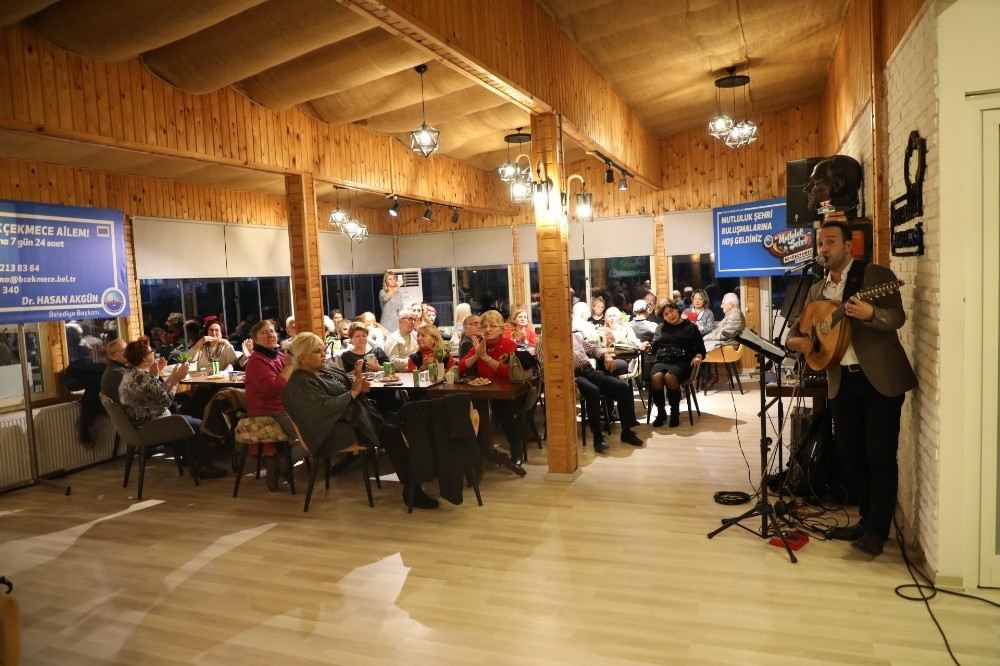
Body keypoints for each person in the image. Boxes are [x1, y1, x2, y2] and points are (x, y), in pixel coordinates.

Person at [787, 221, 916, 557]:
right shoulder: (816, 291)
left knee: (880, 457)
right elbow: (796, 333)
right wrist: (801, 343)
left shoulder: (873, 276)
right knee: (851, 455)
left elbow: (896, 318)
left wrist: (871, 312)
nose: (824, 248)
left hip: (879, 380)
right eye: (820, 243)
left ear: (849, 245)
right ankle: (866, 518)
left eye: (831, 241)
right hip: (840, 381)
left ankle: (877, 530)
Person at [282, 333, 438, 509]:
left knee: (404, 423)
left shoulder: (322, 371)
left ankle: (419, 478)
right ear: (303, 357)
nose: (324, 354)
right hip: (331, 433)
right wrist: (354, 392)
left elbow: (342, 386)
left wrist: (356, 379)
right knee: (392, 432)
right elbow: (321, 409)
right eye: (317, 352)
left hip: (350, 421)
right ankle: (413, 489)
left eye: (323, 350)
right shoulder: (300, 382)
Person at [117, 337, 227, 479]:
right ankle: (204, 467)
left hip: (141, 421)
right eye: (151, 351)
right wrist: (175, 380)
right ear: (144, 359)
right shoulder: (142, 378)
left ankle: (190, 460)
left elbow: (155, 393)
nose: (153, 353)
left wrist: (158, 376)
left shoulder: (131, 374)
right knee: (197, 423)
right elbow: (166, 401)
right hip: (151, 425)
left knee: (188, 415)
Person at [460, 310, 527, 471]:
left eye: (493, 326)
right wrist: (477, 354)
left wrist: (486, 358)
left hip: (508, 391)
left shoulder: (509, 344)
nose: (488, 329)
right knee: (467, 410)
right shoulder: (480, 345)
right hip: (483, 390)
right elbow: (461, 367)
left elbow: (506, 372)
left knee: (505, 412)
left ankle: (516, 450)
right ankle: (478, 451)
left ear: (501, 328)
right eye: (484, 326)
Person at [571, 329, 643, 453]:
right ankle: (598, 437)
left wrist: (606, 355)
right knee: (593, 391)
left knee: (623, 388)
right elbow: (544, 365)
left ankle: (627, 431)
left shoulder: (574, 336)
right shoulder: (545, 342)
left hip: (588, 370)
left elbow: (593, 349)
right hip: (572, 375)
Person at [244, 319, 295, 491]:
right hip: (269, 413)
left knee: (314, 428)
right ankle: (282, 465)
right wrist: (289, 368)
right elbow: (274, 389)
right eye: (264, 333)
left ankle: (281, 462)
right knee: (312, 433)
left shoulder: (279, 356)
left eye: (272, 331)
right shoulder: (257, 361)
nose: (270, 335)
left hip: (286, 408)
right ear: (255, 340)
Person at [648, 302, 705, 427]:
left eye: (671, 311)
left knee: (670, 377)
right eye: (666, 314)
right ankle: (661, 412)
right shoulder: (660, 328)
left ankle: (674, 412)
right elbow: (653, 347)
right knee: (655, 377)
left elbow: (701, 349)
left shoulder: (690, 327)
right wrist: (648, 346)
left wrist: (698, 356)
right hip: (662, 360)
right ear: (663, 317)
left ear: (677, 310)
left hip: (683, 361)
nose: (670, 315)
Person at [100, 337, 129, 404]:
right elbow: (140, 393)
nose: (128, 352)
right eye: (124, 350)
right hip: (129, 412)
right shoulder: (117, 373)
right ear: (112, 357)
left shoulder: (114, 368)